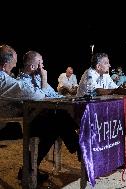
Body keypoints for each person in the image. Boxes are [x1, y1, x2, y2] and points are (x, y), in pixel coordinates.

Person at [15, 51, 79, 181]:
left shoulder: (37, 78)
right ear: (33, 67)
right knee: (60, 120)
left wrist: (73, 100)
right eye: (41, 63)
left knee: (58, 124)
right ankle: (79, 147)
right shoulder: (21, 82)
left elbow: (54, 95)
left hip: (48, 119)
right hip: (32, 121)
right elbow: (42, 100)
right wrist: (44, 79)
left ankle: (28, 169)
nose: (43, 66)